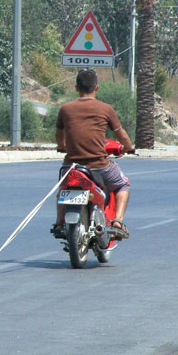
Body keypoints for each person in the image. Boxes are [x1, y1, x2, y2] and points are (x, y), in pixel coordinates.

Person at [52, 68, 135, 236]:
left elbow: (59, 134)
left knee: (63, 188)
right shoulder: (106, 109)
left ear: (76, 88)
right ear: (96, 87)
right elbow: (121, 134)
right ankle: (118, 221)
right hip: (99, 166)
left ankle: (60, 222)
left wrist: (62, 146)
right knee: (123, 184)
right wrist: (130, 147)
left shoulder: (65, 109)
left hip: (72, 166)